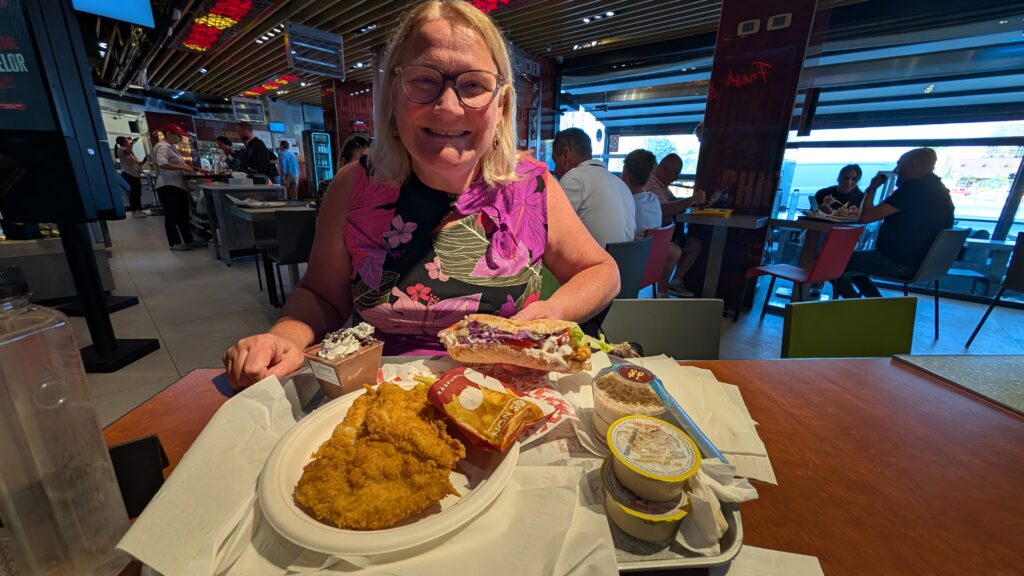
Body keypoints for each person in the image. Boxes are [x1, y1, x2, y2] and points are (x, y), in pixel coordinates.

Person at [223, 0, 619, 390]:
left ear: (501, 105)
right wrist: (285, 337)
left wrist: (553, 310)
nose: (448, 107)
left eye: (474, 85)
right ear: (393, 96)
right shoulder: (353, 186)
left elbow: (602, 271)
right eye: (424, 81)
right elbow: (320, 295)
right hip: (383, 394)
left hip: (508, 394)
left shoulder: (532, 186)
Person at [835, 148, 954, 298]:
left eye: (899, 164)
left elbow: (865, 217)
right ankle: (874, 303)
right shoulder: (939, 189)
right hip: (927, 264)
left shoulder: (914, 189)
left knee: (833, 261)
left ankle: (858, 304)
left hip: (900, 262)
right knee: (851, 262)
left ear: (913, 164)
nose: (896, 170)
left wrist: (872, 188)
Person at [552, 127, 635, 247]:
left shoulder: (574, 179)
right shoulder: (622, 185)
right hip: (625, 259)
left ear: (565, 155)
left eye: (555, 161)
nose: (555, 170)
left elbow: (549, 232)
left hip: (594, 259)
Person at [644, 153, 705, 297]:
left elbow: (674, 202)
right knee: (674, 251)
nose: (677, 178)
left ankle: (675, 283)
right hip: (654, 238)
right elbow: (664, 209)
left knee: (694, 245)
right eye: (676, 173)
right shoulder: (652, 184)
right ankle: (662, 292)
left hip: (666, 234)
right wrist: (691, 200)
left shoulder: (662, 186)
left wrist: (693, 200)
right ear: (664, 169)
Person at [153, 123, 205, 251]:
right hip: (168, 185)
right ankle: (174, 243)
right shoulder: (162, 146)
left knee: (183, 215)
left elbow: (179, 164)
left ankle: (188, 240)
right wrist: (183, 167)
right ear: (168, 134)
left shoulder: (171, 147)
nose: (180, 138)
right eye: (178, 135)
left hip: (177, 185)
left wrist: (195, 169)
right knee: (172, 216)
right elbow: (162, 163)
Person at [621, 149, 660, 239]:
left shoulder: (625, 204)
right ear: (649, 178)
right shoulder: (654, 199)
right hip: (653, 247)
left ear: (625, 175)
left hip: (629, 247)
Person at [115, 136, 145, 218]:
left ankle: (139, 210)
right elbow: (127, 152)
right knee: (134, 193)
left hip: (135, 174)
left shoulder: (130, 151)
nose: (129, 141)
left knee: (138, 193)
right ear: (123, 142)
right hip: (128, 174)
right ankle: (134, 212)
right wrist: (132, 143)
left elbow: (137, 163)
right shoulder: (120, 149)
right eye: (127, 140)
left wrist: (144, 160)